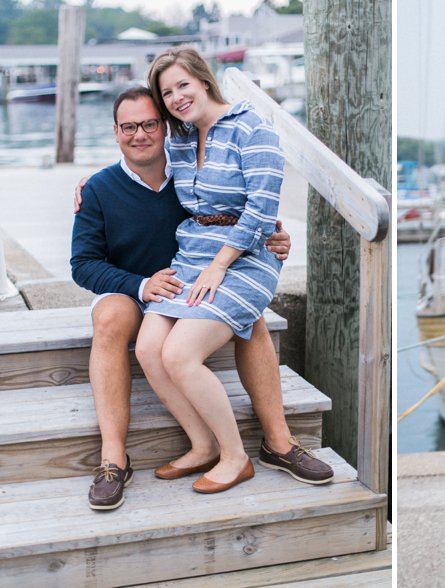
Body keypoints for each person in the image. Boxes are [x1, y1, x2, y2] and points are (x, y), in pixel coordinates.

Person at [72, 85, 333, 510]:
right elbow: (82, 264)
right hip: (131, 286)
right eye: (129, 126)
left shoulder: (191, 177)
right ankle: (113, 460)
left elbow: (240, 211)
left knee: (250, 316)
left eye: (150, 124)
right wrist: (141, 285)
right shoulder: (99, 188)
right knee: (110, 321)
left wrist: (275, 236)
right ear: (115, 131)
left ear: (165, 127)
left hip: (194, 283)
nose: (140, 134)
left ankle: (278, 441)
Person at [127, 45, 302, 495]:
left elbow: (262, 211)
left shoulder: (253, 130)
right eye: (167, 93)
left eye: (183, 84)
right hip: (192, 255)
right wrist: (92, 182)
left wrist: (220, 266)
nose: (177, 97)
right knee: (149, 347)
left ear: (204, 80)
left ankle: (235, 455)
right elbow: (142, 161)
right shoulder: (181, 139)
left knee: (179, 355)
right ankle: (202, 444)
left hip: (245, 259)